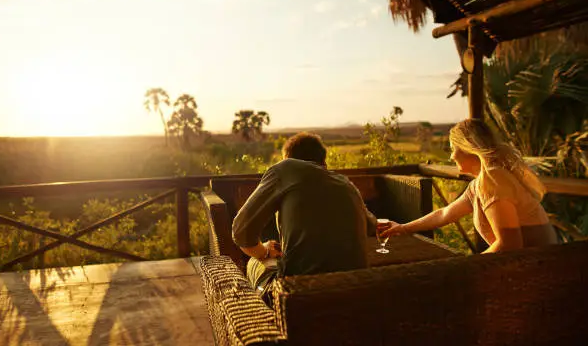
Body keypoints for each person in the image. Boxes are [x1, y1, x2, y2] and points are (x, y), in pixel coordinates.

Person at [232, 132, 377, 304]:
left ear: (288, 159)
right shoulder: (345, 183)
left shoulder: (285, 169)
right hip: (353, 291)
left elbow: (241, 232)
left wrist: (264, 251)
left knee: (254, 262)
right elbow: (372, 226)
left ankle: (262, 318)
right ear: (324, 162)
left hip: (298, 294)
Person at [379, 119, 557, 253]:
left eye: (452, 149)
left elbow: (510, 244)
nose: (451, 157)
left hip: (539, 269)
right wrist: (402, 228)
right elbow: (444, 214)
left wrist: (470, 268)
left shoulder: (494, 179)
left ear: (467, 148)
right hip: (530, 265)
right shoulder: (481, 183)